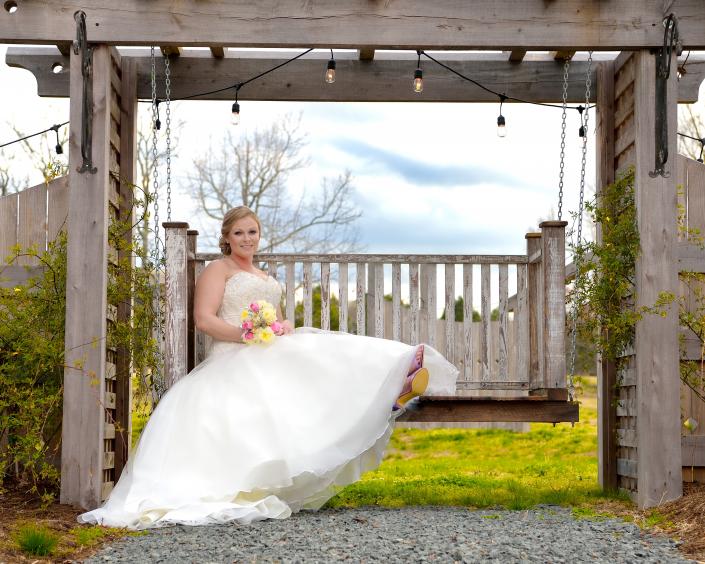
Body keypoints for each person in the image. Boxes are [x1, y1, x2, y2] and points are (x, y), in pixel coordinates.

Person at [78, 206, 457, 529]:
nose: (247, 238)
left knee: (315, 348)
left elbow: (271, 318)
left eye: (252, 232)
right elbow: (204, 320)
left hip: (265, 348)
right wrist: (245, 335)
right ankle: (382, 388)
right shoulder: (218, 269)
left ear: (259, 235)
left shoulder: (262, 276)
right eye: (239, 233)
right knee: (301, 368)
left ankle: (395, 376)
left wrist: (280, 326)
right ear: (226, 237)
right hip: (233, 355)